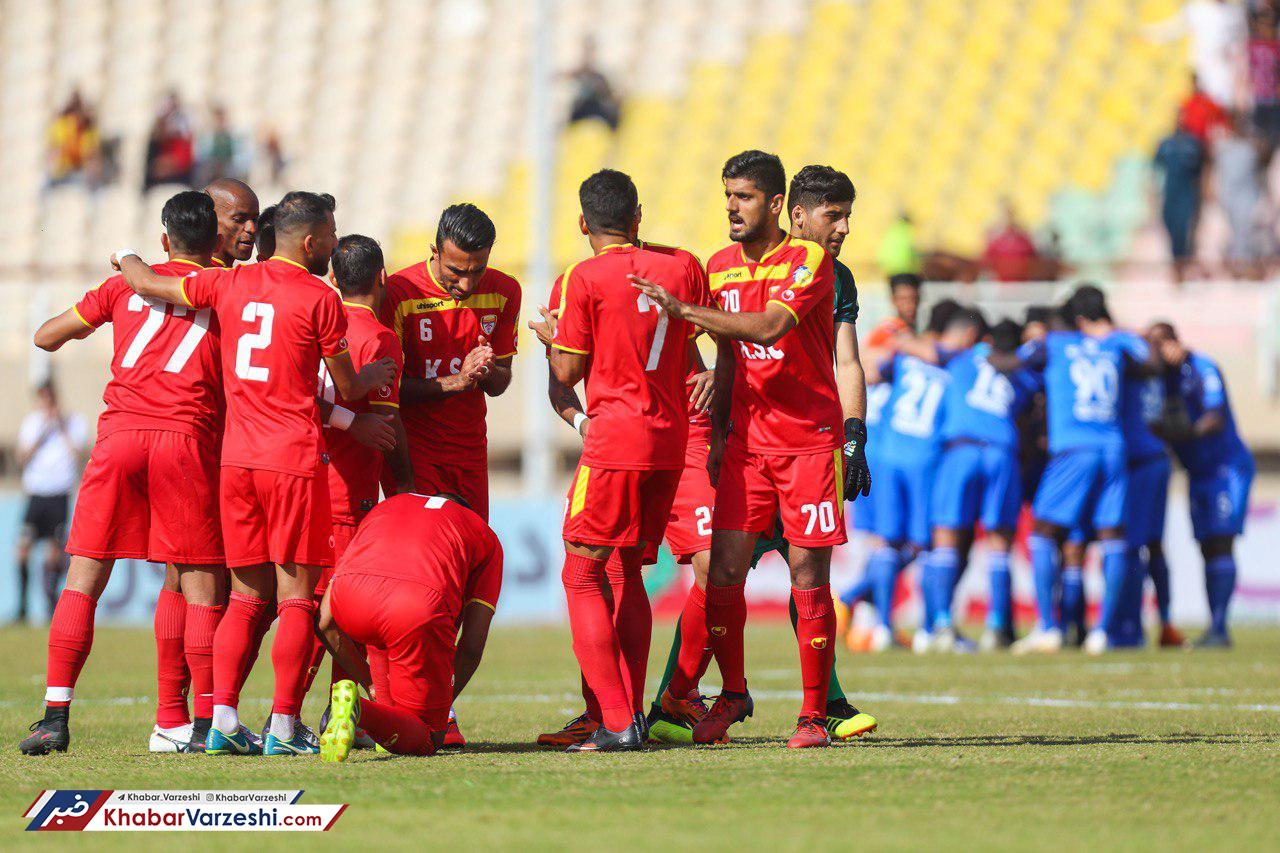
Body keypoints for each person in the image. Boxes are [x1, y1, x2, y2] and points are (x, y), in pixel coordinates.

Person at [107, 190, 396, 756]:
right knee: (296, 599)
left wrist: (125, 255)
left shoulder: (229, 283)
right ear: (311, 242)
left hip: (234, 461)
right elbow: (347, 387)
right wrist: (376, 372)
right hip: (291, 461)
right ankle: (283, 728)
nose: (335, 246)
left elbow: (146, 284)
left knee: (243, 597)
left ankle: (220, 720)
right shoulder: (321, 298)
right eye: (332, 236)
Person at [643, 164, 875, 745]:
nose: (732, 207)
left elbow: (770, 328)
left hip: (807, 444)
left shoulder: (812, 263)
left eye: (743, 197)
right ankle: (731, 695)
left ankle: (816, 715)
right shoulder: (717, 267)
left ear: (775, 205)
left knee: (806, 573)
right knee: (720, 573)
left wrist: (854, 433)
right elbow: (726, 358)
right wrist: (719, 436)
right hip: (746, 447)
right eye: (728, 196)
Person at [20, 192, 223, 756]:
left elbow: (46, 335)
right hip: (185, 440)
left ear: (164, 240)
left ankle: (54, 718)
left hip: (120, 436)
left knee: (84, 575)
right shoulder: (223, 292)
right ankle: (204, 725)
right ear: (214, 244)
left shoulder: (122, 288)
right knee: (200, 584)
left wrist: (101, 305)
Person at [545, 168, 708, 752]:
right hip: (672, 440)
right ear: (639, 218)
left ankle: (616, 721)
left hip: (615, 440)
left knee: (580, 571)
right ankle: (628, 712)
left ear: (583, 223)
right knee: (626, 572)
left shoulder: (580, 278)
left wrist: (551, 336)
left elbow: (566, 373)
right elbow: (692, 338)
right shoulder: (684, 265)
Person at [998, 285, 1155, 656]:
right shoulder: (1119, 342)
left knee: (1041, 532)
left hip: (1074, 447)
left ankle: (1047, 627)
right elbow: (1150, 362)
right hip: (1114, 446)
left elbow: (1012, 362)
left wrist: (988, 355)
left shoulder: (1053, 343)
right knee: (1112, 535)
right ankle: (1103, 632)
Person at [304, 235, 413, 703]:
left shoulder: (314, 318)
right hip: (349, 490)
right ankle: (294, 715)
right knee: (338, 611)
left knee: (294, 603)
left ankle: (222, 709)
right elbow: (386, 424)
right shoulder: (380, 337)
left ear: (331, 278)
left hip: (302, 478)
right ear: (383, 278)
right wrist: (406, 487)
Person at [316, 493, 502, 760]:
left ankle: (369, 712)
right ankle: (359, 709)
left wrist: (367, 680)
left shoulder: (388, 506)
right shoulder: (483, 534)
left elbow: (324, 622)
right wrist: (441, 703)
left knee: (395, 718)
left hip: (351, 598)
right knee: (428, 738)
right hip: (414, 607)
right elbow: (472, 645)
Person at [383, 205, 521, 523]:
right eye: (456, 271)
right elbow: (389, 390)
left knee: (469, 551)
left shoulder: (505, 290)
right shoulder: (400, 292)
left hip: (470, 450)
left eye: (477, 271)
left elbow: (500, 383)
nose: (466, 284)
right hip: (414, 449)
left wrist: (486, 372)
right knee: (422, 554)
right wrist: (458, 380)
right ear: (435, 251)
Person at [925, 312, 1038, 652]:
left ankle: (942, 625)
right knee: (999, 542)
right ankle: (997, 628)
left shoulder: (961, 357)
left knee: (946, 538)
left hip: (961, 448)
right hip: (1001, 451)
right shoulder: (1025, 375)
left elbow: (931, 351)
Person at [1148, 321, 1255, 647]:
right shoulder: (1160, 381)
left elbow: (1215, 415)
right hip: (1197, 472)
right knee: (1207, 544)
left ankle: (1220, 627)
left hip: (1225, 467)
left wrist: (1187, 433)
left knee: (1221, 541)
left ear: (1173, 342)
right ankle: (1216, 628)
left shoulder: (1202, 367)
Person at [863, 300, 958, 652]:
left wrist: (899, 344)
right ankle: (930, 627)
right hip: (924, 457)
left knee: (886, 542)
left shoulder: (902, 355)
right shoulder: (953, 364)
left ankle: (883, 627)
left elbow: (871, 370)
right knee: (925, 544)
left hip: (888, 454)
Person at [13, 382, 87, 625]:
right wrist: (44, 430)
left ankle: (50, 607)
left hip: (58, 493)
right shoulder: (33, 423)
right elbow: (22, 457)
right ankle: (22, 608)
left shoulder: (72, 422)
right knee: (22, 550)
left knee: (54, 554)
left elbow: (79, 456)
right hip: (36, 494)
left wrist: (61, 427)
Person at [1154, 119, 1207, 282]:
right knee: (1172, 228)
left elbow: (1203, 169)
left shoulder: (1194, 144)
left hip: (1187, 193)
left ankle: (1183, 266)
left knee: (1185, 229)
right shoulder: (1165, 143)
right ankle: (1176, 265)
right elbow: (1156, 168)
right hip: (1171, 192)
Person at [204, 178, 260, 268]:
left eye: (255, 219)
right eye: (239, 219)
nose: (252, 229)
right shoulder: (189, 278)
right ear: (210, 219)